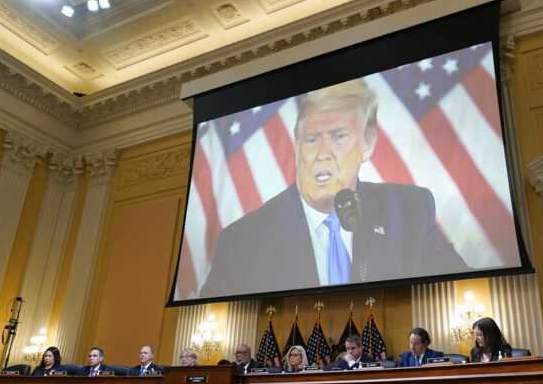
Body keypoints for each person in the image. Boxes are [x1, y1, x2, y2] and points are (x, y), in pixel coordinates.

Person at [199, 79, 468, 298]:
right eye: (313, 139)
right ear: (297, 147)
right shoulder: (242, 241)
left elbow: (458, 286)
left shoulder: (408, 210)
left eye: (339, 137)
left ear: (367, 144)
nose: (322, 154)